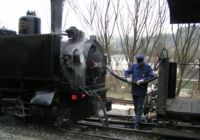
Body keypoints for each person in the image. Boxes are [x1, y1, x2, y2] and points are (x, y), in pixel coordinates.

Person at [125, 53, 154, 129]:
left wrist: (143, 80)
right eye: (138, 62)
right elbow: (127, 72)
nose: (139, 63)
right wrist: (127, 77)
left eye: (140, 62)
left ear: (142, 61)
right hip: (134, 90)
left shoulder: (147, 67)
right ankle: (138, 120)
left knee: (140, 107)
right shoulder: (134, 66)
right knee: (136, 107)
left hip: (142, 91)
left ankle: (137, 125)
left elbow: (151, 76)